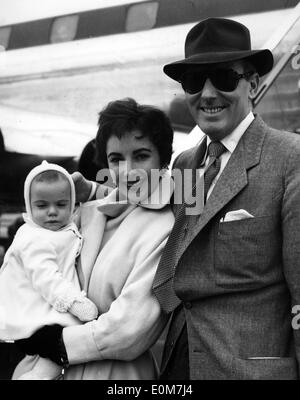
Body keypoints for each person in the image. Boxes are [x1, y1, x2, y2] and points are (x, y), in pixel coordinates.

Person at [152, 17, 300, 380]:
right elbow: (184, 240)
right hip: (180, 364)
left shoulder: (289, 158)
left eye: (223, 78)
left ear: (253, 84)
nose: (207, 94)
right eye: (193, 81)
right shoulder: (186, 164)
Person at [13, 98, 175, 380]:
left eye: (141, 156)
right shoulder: (87, 213)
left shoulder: (168, 227)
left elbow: (129, 330)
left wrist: (58, 344)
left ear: (163, 159)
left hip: (116, 375)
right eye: (116, 159)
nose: (127, 171)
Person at [0, 161, 98, 380]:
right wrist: (75, 303)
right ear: (29, 206)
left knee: (50, 358)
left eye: (61, 204)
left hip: (44, 309)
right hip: (32, 311)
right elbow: (47, 279)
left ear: (72, 204)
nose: (52, 212)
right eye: (42, 206)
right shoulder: (33, 237)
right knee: (55, 353)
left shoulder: (63, 228)